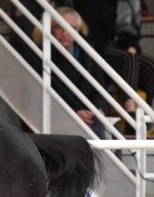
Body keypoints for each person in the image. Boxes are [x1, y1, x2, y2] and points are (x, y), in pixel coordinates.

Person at [74, 0, 154, 132]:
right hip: (97, 48)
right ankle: (130, 117)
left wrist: (132, 45)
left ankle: (144, 114)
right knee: (129, 59)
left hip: (120, 47)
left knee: (150, 66)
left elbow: (130, 29)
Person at [33, 7, 108, 136]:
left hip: (88, 116)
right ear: (51, 29)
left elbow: (100, 89)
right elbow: (44, 95)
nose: (65, 33)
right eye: (59, 27)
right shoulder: (41, 55)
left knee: (107, 128)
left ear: (79, 31)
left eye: (71, 28)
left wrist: (94, 112)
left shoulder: (88, 53)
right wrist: (75, 112)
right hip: (58, 116)